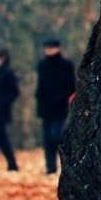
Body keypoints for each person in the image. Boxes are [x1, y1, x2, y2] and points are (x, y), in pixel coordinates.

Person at [36, 38, 77, 174]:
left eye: (52, 48)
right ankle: (50, 167)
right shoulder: (42, 65)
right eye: (47, 48)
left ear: (58, 48)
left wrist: (63, 98)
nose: (49, 50)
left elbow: (71, 85)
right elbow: (41, 87)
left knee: (56, 135)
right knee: (47, 138)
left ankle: (67, 162)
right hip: (45, 107)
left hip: (59, 106)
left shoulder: (66, 65)